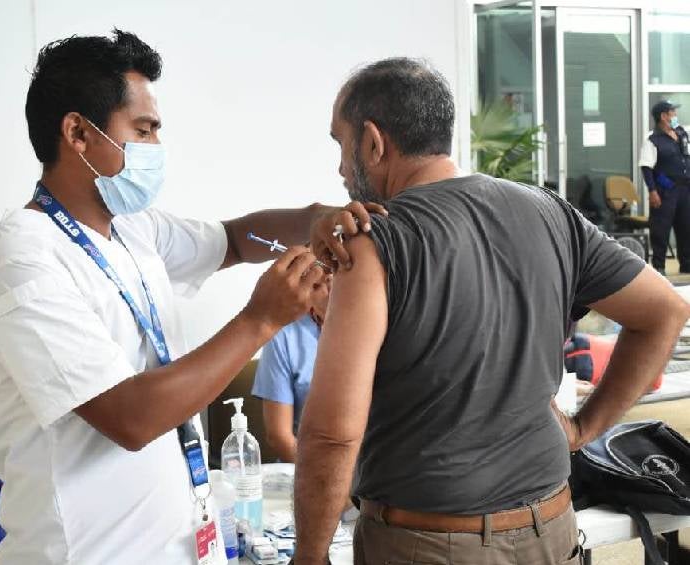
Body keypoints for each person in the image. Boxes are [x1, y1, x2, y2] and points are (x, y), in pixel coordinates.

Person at [0, 30, 375, 564]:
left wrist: (312, 219)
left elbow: (236, 239)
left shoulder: (132, 229)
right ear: (78, 133)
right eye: (143, 130)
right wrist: (260, 320)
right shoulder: (22, 257)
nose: (155, 147)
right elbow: (129, 417)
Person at [291, 58, 690, 565]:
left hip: (428, 545)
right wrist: (584, 428)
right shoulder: (551, 213)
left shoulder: (374, 244)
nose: (341, 170)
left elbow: (331, 434)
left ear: (373, 142)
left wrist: (309, 555)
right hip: (551, 532)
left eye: (340, 144)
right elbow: (665, 311)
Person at [251, 279, 330, 462]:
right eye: (320, 283)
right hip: (306, 464)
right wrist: (322, 474)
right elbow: (279, 437)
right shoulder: (283, 335)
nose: (331, 281)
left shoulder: (380, 323)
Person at [640, 99, 690, 273]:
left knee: (686, 227)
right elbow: (646, 167)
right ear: (663, 116)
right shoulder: (652, 139)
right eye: (672, 112)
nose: (675, 115)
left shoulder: (682, 134)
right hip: (665, 190)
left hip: (685, 189)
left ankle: (686, 264)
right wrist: (652, 191)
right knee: (661, 229)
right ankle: (659, 266)